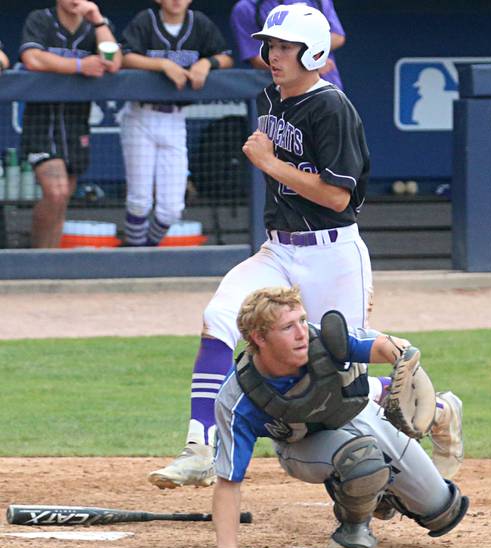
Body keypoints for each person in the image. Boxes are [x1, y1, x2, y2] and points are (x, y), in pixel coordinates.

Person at [147, 3, 463, 490]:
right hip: (278, 250)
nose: (272, 54)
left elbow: (338, 196)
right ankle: (200, 446)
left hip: (332, 252)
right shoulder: (271, 97)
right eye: (270, 45)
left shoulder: (332, 106)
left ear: (312, 52)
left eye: (285, 47)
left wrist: (270, 164)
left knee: (339, 384)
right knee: (219, 315)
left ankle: (437, 410)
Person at [209, 286, 469, 548]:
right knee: (360, 458)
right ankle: (353, 528)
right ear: (259, 337)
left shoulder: (326, 338)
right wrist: (226, 545)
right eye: (288, 327)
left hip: (358, 417)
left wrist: (400, 354)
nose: (301, 333)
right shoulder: (237, 397)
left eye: (301, 320)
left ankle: (380, 491)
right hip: (301, 447)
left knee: (441, 511)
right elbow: (228, 479)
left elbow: (386, 346)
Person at [119, 0, 233, 246]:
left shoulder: (199, 23)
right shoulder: (146, 20)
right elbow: (125, 57)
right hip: (141, 114)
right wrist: (162, 64)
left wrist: (206, 63)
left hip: (175, 118)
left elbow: (225, 57)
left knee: (172, 209)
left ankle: (145, 250)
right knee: (139, 201)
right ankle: (137, 255)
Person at [19, 0, 121, 248]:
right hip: (43, 122)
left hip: (76, 123)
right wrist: (79, 65)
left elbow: (113, 61)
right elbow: (32, 58)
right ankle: (37, 258)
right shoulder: (41, 19)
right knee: (56, 193)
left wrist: (98, 20)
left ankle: (50, 262)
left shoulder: (94, 29)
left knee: (62, 200)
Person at [229, 0, 346, 89]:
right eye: (271, 46)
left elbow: (337, 36)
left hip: (325, 82)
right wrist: (304, 63)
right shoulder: (247, 7)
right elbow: (256, 57)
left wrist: (310, 59)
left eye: (284, 47)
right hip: (279, 90)